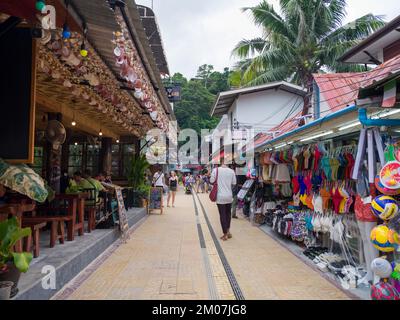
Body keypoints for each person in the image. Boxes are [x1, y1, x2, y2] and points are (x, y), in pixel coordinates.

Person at [210, 163, 237, 241]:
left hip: (220, 196)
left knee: (222, 215)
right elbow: (234, 183)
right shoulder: (232, 171)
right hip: (229, 196)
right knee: (228, 214)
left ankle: (225, 234)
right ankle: (228, 231)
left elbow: (211, 180)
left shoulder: (216, 170)